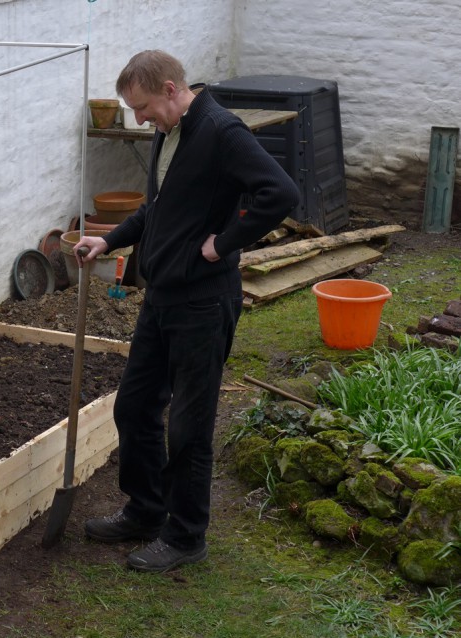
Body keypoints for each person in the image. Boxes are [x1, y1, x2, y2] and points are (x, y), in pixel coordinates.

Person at [75, 50, 300, 573]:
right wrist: (109, 241)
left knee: (189, 426)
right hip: (161, 298)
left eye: (145, 107)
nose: (140, 119)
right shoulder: (170, 131)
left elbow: (279, 191)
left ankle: (185, 535)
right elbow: (157, 209)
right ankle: (146, 509)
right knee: (133, 407)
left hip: (203, 301)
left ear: (172, 89)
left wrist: (223, 243)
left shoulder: (223, 131)